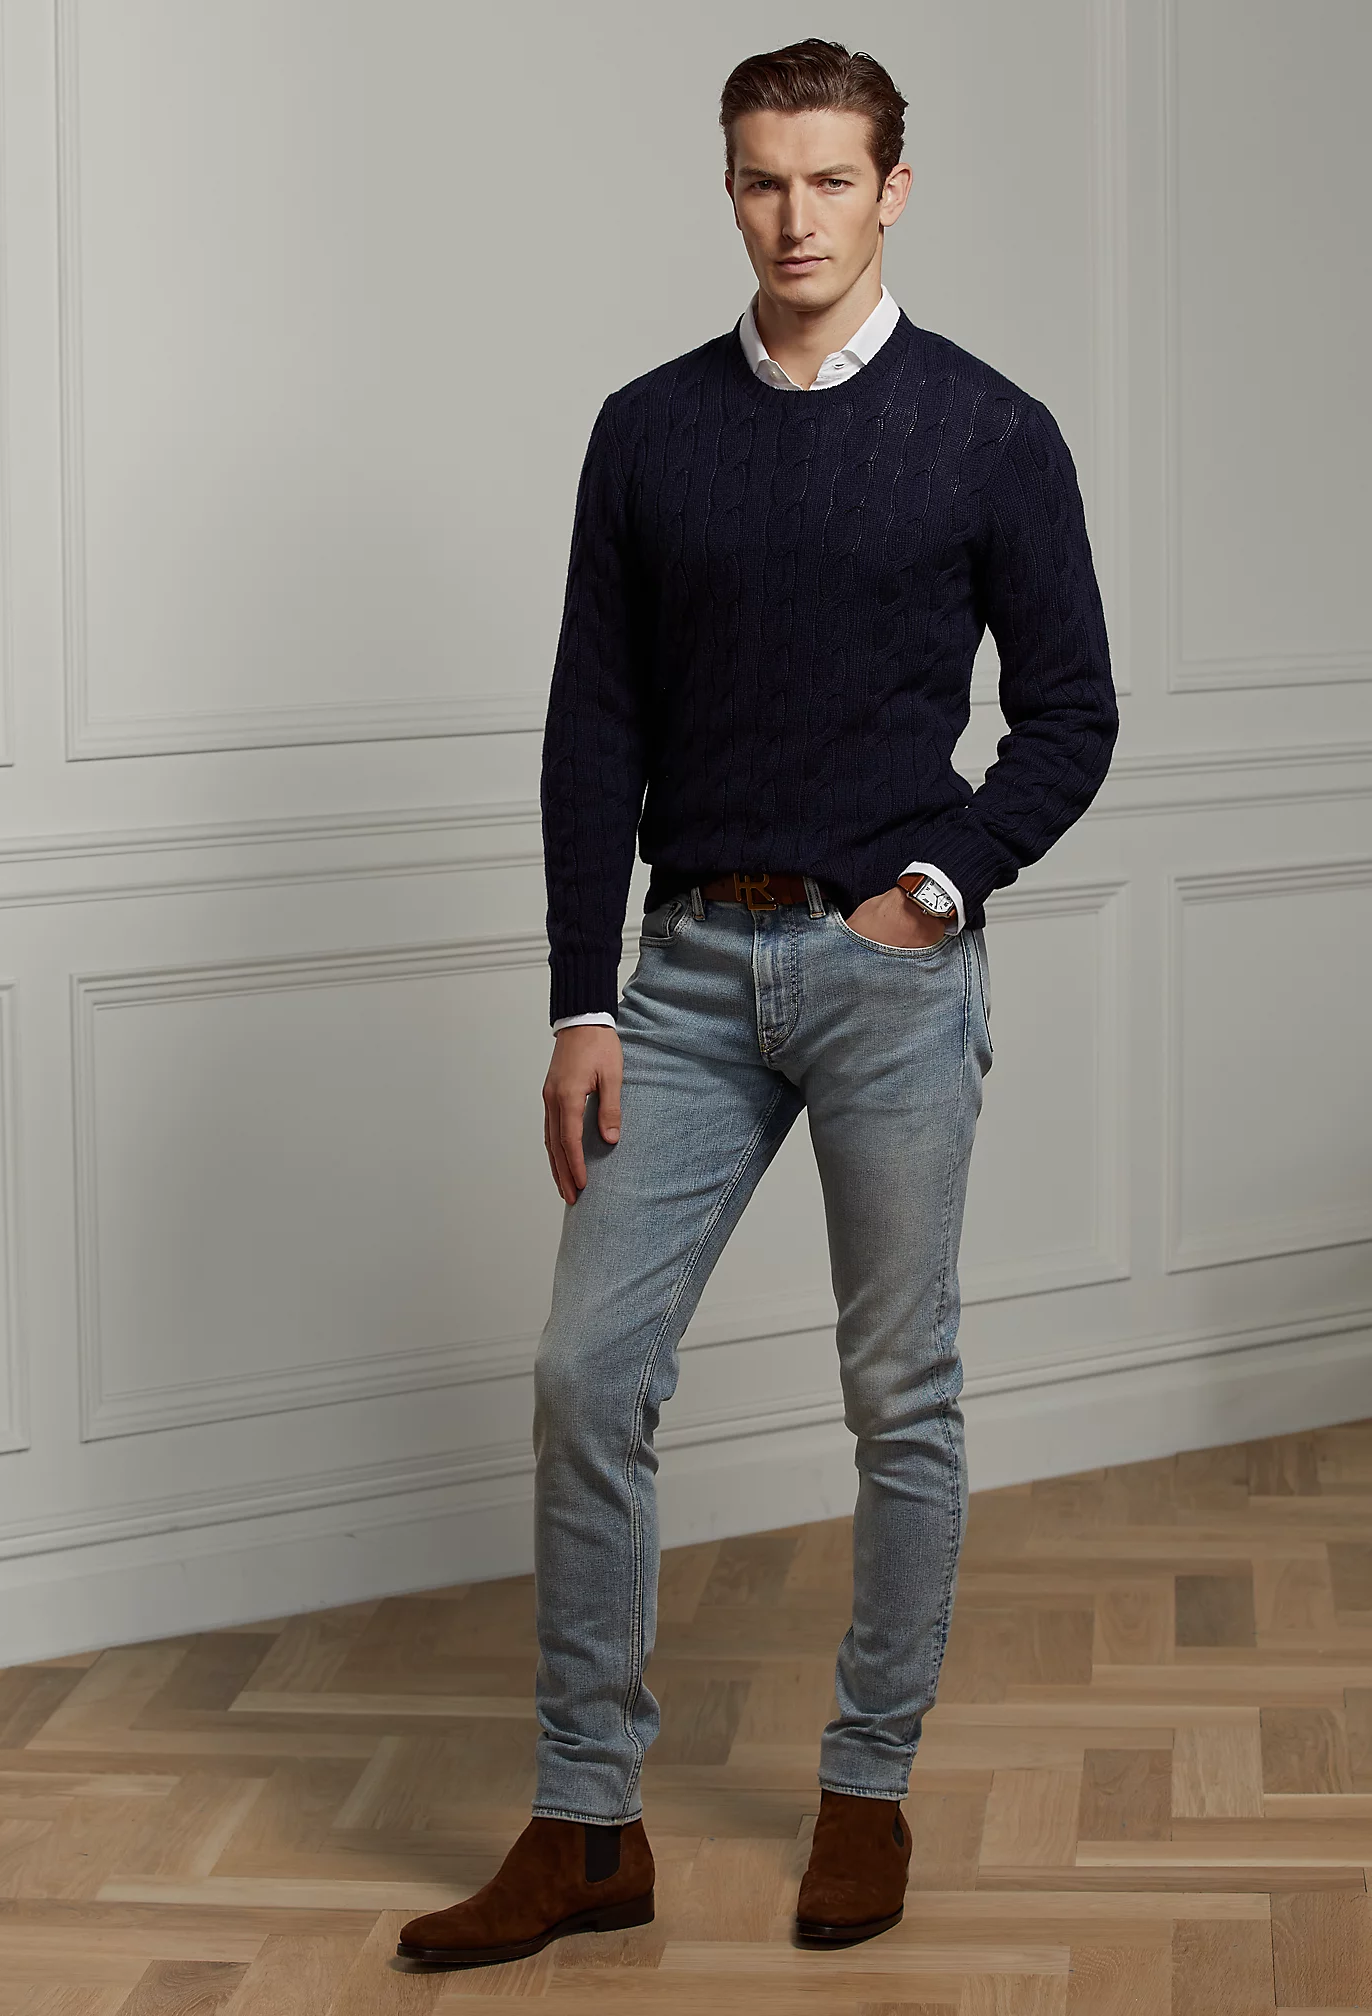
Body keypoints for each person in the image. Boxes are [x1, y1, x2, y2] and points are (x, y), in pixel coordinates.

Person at [398, 35, 1116, 1969]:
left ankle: (867, 1787)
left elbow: (1071, 713)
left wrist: (940, 888)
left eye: (829, 179)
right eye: (760, 178)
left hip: (888, 974)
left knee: (901, 1393)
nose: (794, 216)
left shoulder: (991, 432)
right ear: (728, 188)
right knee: (587, 1377)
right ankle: (587, 1827)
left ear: (895, 191)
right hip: (690, 972)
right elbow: (594, 730)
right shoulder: (649, 429)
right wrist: (581, 999)